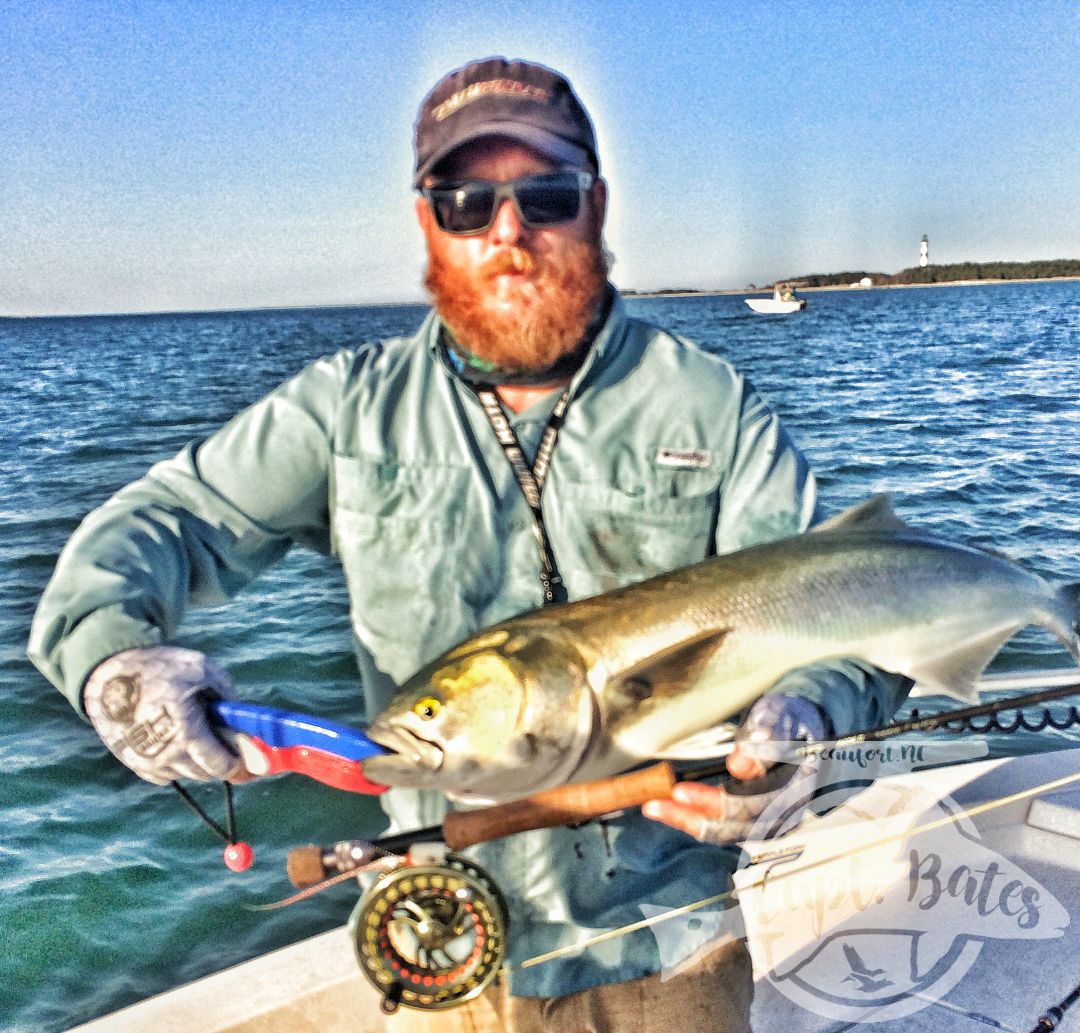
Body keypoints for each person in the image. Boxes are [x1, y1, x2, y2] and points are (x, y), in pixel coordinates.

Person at [29, 57, 909, 1032]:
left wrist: (808, 718)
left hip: (678, 935)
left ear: (596, 204)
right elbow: (155, 528)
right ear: (425, 220)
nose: (508, 231)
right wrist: (111, 657)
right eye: (465, 200)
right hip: (441, 940)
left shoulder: (711, 403)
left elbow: (845, 612)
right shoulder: (347, 411)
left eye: (545, 193)